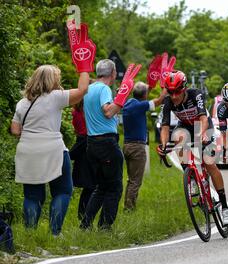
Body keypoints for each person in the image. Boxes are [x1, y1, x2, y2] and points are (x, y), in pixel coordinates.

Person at [10, 65, 90, 236]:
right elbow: (83, 90)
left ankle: (30, 234)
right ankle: (55, 233)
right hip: (53, 150)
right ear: (52, 80)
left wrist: (33, 134)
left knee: (32, 195)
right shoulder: (56, 97)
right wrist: (84, 66)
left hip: (27, 151)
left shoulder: (22, 103)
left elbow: (15, 130)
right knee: (62, 190)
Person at [157, 71, 228, 226]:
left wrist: (202, 134)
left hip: (202, 125)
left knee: (209, 163)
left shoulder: (195, 95)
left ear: (184, 88)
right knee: (177, 139)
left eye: (177, 92)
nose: (174, 96)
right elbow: (165, 127)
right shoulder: (168, 102)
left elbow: (204, 118)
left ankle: (224, 206)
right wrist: (164, 145)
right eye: (170, 92)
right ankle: (191, 176)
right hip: (185, 126)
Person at [81, 59, 141, 230]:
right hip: (106, 143)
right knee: (114, 187)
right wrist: (121, 98)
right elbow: (108, 111)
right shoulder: (104, 89)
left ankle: (85, 224)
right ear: (113, 73)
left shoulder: (89, 89)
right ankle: (105, 227)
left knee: (101, 187)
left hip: (91, 142)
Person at [122, 82, 166, 211]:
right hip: (137, 148)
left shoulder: (130, 103)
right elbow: (159, 101)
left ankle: (128, 205)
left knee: (131, 179)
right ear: (144, 95)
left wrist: (148, 86)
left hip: (127, 145)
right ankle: (129, 208)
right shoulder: (140, 106)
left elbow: (144, 95)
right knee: (136, 181)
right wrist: (164, 87)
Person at [69, 99, 96, 221]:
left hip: (80, 144)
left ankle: (83, 214)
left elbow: (75, 129)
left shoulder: (75, 111)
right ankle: (85, 214)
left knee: (88, 185)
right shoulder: (90, 110)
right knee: (92, 185)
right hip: (89, 144)